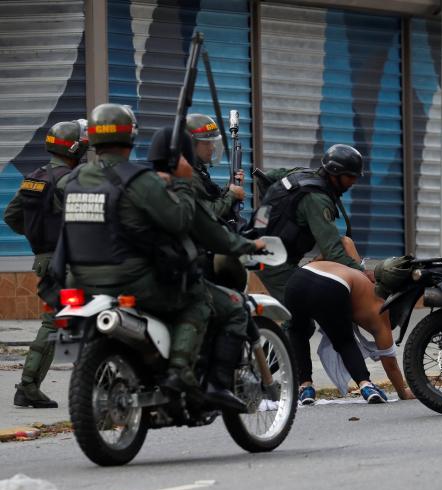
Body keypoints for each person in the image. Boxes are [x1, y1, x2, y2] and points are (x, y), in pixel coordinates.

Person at [60, 103, 211, 396]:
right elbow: (179, 220)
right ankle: (180, 371)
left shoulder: (70, 182)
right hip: (129, 280)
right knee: (197, 297)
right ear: (131, 138)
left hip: (76, 280)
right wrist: (181, 183)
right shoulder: (138, 180)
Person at [148, 126, 269, 411]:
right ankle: (212, 383)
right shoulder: (183, 186)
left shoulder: (133, 183)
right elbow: (209, 225)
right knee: (227, 305)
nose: (212, 149)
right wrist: (251, 244)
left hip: (126, 277)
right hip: (170, 277)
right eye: (203, 145)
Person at [4, 120, 88, 408]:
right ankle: (29, 386)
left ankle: (74, 382)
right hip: (69, 261)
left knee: (68, 321)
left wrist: (38, 237)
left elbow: (12, 216)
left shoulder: (34, 178)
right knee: (65, 321)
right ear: (75, 148)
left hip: (46, 259)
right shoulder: (70, 180)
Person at [283, 259, 414, 404]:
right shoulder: (379, 312)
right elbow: (390, 362)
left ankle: (305, 387)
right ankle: (366, 385)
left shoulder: (365, 281)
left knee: (298, 332)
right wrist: (403, 392)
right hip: (330, 286)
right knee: (345, 342)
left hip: (297, 279)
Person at [253, 144, 369, 304]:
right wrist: (364, 275)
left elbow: (268, 177)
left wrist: (275, 212)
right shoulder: (316, 199)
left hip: (268, 250)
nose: (353, 182)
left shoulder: (302, 174)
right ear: (335, 173)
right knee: (301, 315)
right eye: (350, 176)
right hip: (271, 261)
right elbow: (333, 252)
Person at [186, 113, 244, 220]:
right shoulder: (188, 175)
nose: (212, 147)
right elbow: (207, 213)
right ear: (190, 144)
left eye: (212, 142)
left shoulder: (199, 170)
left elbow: (213, 198)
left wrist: (230, 187)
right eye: (206, 143)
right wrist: (232, 195)